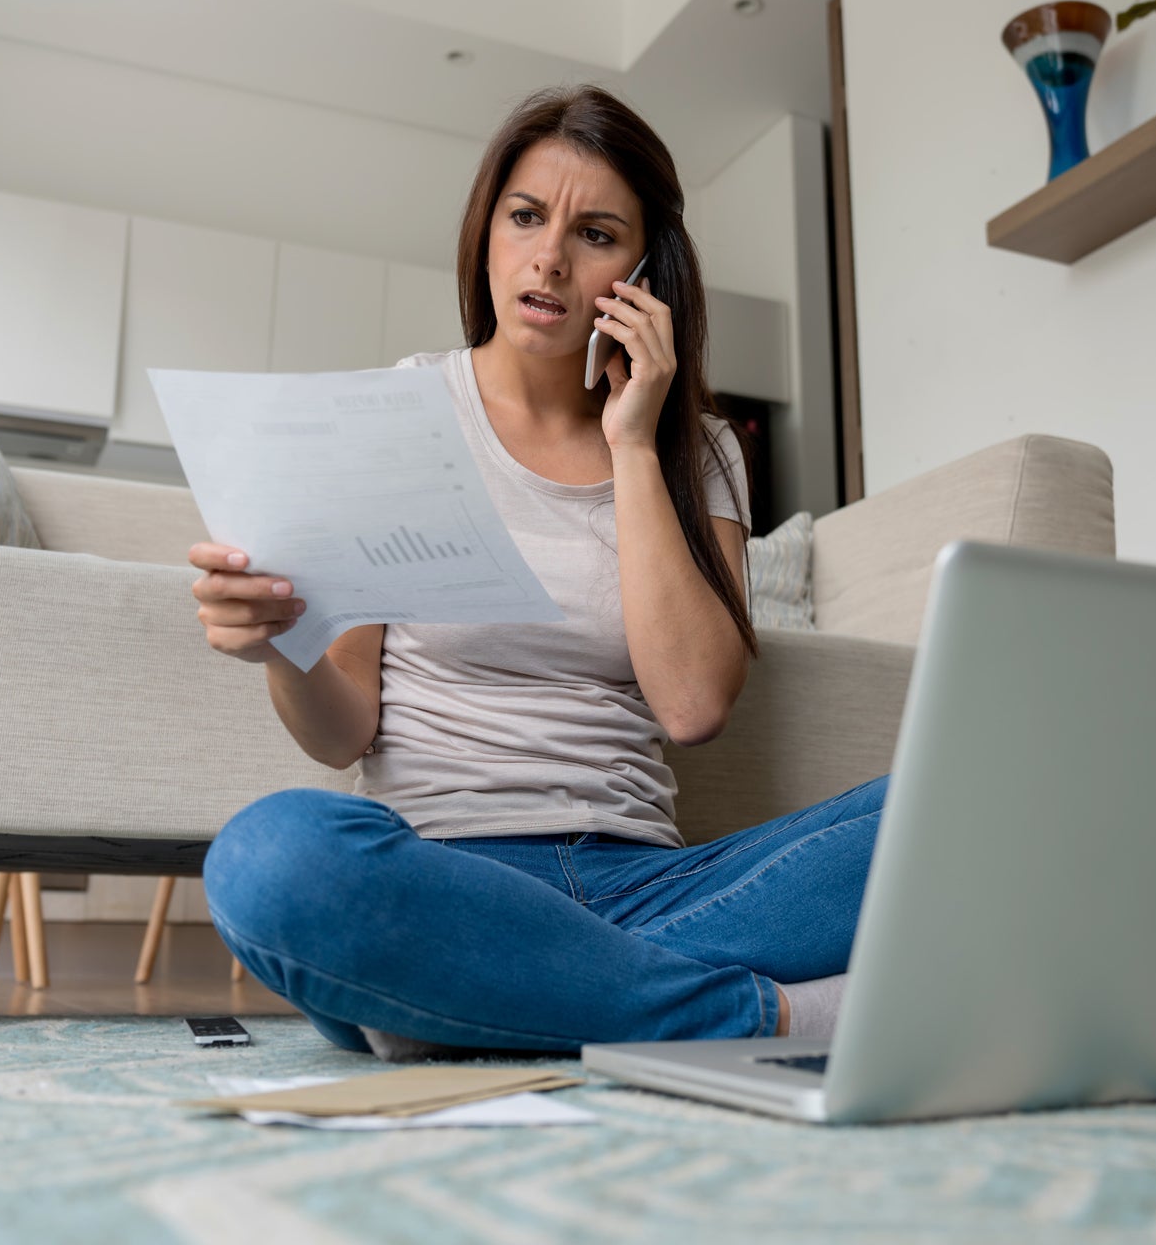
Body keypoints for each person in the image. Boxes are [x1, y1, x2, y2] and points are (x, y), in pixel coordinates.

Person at [193, 86, 882, 1057]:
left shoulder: (703, 448)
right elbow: (346, 727)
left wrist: (636, 443)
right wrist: (283, 650)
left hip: (653, 885)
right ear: (488, 230)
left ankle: (478, 999)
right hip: (446, 872)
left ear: (644, 271)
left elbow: (690, 706)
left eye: (596, 232)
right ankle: (767, 1016)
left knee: (955, 800)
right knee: (268, 861)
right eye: (526, 216)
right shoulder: (404, 408)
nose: (550, 257)